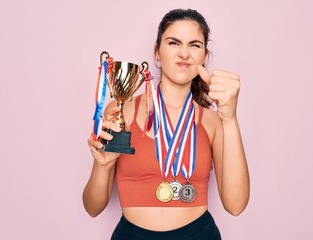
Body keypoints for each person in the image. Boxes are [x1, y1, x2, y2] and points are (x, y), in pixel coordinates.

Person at [83, 8, 250, 240]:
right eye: (174, 43)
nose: (184, 53)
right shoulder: (121, 111)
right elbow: (93, 208)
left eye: (194, 45)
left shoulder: (213, 121)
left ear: (204, 56)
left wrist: (230, 118)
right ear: (157, 53)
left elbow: (236, 205)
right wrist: (102, 167)